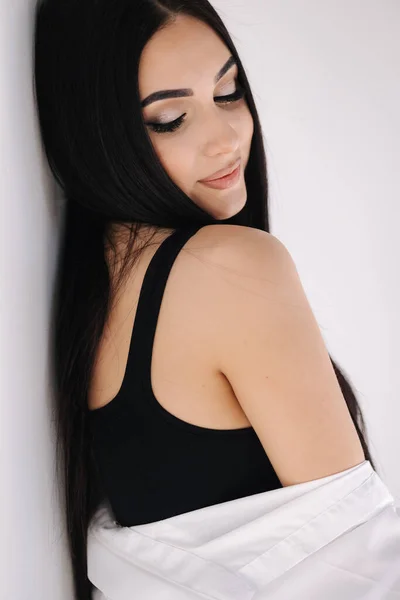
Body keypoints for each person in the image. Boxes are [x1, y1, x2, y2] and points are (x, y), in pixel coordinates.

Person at [33, 1, 377, 599]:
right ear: (94, 134)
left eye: (228, 91)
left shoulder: (101, 284)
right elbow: (358, 571)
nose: (226, 138)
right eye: (169, 119)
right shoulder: (230, 266)